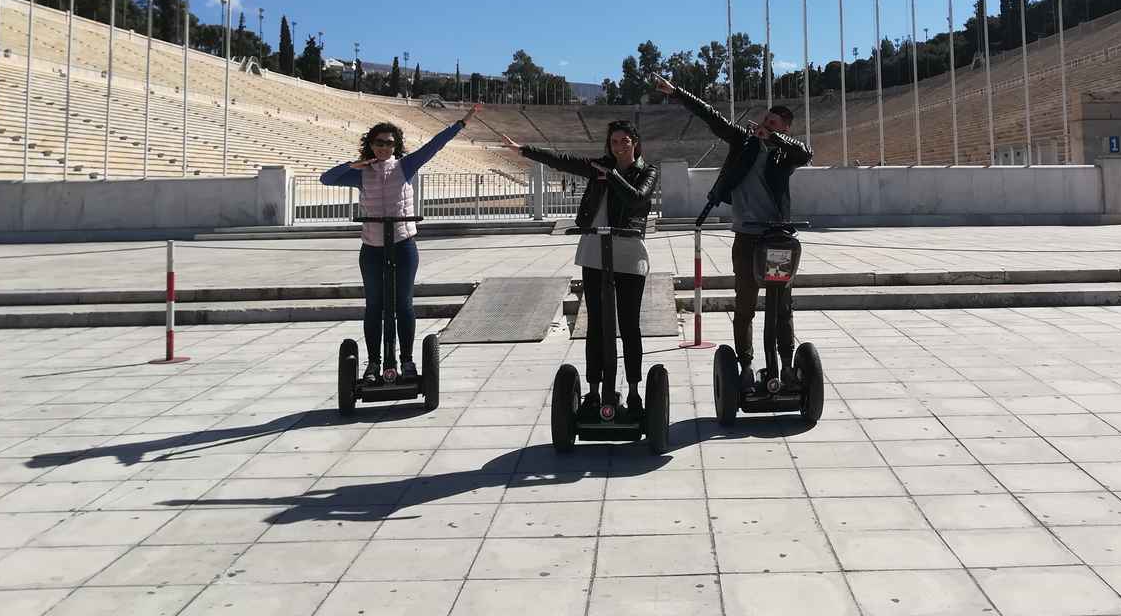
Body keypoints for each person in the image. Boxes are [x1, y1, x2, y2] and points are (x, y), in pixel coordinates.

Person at [652, 74, 813, 392]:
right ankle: (746, 364)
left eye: (774, 123)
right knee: (746, 304)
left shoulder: (785, 154)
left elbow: (806, 153)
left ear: (785, 129)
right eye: (765, 120)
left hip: (776, 238)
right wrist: (677, 92)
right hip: (747, 237)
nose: (766, 125)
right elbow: (713, 119)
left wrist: (774, 139)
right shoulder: (744, 143)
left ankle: (787, 365)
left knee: (781, 307)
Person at [502, 121, 659, 416]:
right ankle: (595, 391)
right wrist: (524, 150)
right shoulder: (600, 166)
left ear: (635, 143)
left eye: (625, 141)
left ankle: (636, 390)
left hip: (629, 253)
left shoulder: (647, 172)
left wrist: (611, 176)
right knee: (597, 325)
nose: (619, 147)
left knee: (628, 325)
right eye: (614, 142)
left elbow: (636, 197)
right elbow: (564, 162)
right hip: (594, 252)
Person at [321, 104, 481, 384]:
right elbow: (326, 178)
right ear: (371, 145)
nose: (384, 148)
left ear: (396, 146)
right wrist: (353, 165)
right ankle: (373, 363)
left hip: (403, 243)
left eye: (389, 143)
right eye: (379, 143)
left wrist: (461, 124)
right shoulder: (361, 173)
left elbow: (435, 145)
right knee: (374, 305)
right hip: (372, 246)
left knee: (403, 304)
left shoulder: (406, 166)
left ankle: (406, 360)